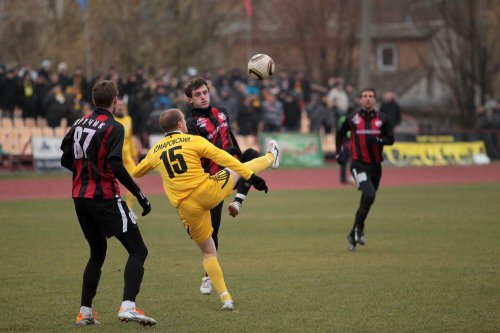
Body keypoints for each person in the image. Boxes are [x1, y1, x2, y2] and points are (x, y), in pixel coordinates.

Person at [132, 108, 280, 310]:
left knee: (209, 254)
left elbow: (137, 172)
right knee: (234, 168)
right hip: (208, 191)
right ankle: (272, 158)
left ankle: (226, 298)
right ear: (180, 125)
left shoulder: (155, 151)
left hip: (186, 207)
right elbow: (226, 159)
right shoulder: (193, 140)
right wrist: (251, 177)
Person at [60, 80, 156, 326]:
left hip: (80, 197)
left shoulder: (79, 122)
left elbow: (65, 157)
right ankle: (128, 306)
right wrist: (139, 193)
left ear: (94, 101)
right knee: (138, 250)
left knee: (97, 252)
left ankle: (85, 312)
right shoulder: (114, 126)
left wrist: (85, 172)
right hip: (104, 197)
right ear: (115, 100)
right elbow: (115, 164)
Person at [183, 77, 260, 295]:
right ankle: (208, 276)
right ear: (190, 100)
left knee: (252, 155)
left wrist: (236, 154)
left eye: (205, 92)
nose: (203, 96)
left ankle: (238, 202)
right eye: (197, 95)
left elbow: (231, 138)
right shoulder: (191, 125)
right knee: (213, 231)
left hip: (233, 169)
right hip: (213, 178)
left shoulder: (222, 111)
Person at [335, 88, 394, 251]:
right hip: (358, 164)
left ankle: (353, 234)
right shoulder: (352, 118)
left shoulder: (383, 119)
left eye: (370, 97)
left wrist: (380, 140)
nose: (368, 99)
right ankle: (359, 230)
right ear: (360, 100)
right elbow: (340, 134)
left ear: (375, 100)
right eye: (365, 96)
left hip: (376, 166)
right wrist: (338, 152)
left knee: (367, 200)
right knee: (369, 194)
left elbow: (391, 139)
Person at [114, 98, 139, 210]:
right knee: (111, 184)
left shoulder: (129, 119)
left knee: (134, 181)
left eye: (122, 105)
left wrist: (135, 156)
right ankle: (115, 208)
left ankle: (129, 209)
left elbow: (130, 140)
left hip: (128, 157)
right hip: (114, 156)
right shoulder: (111, 120)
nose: (120, 107)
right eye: (118, 105)